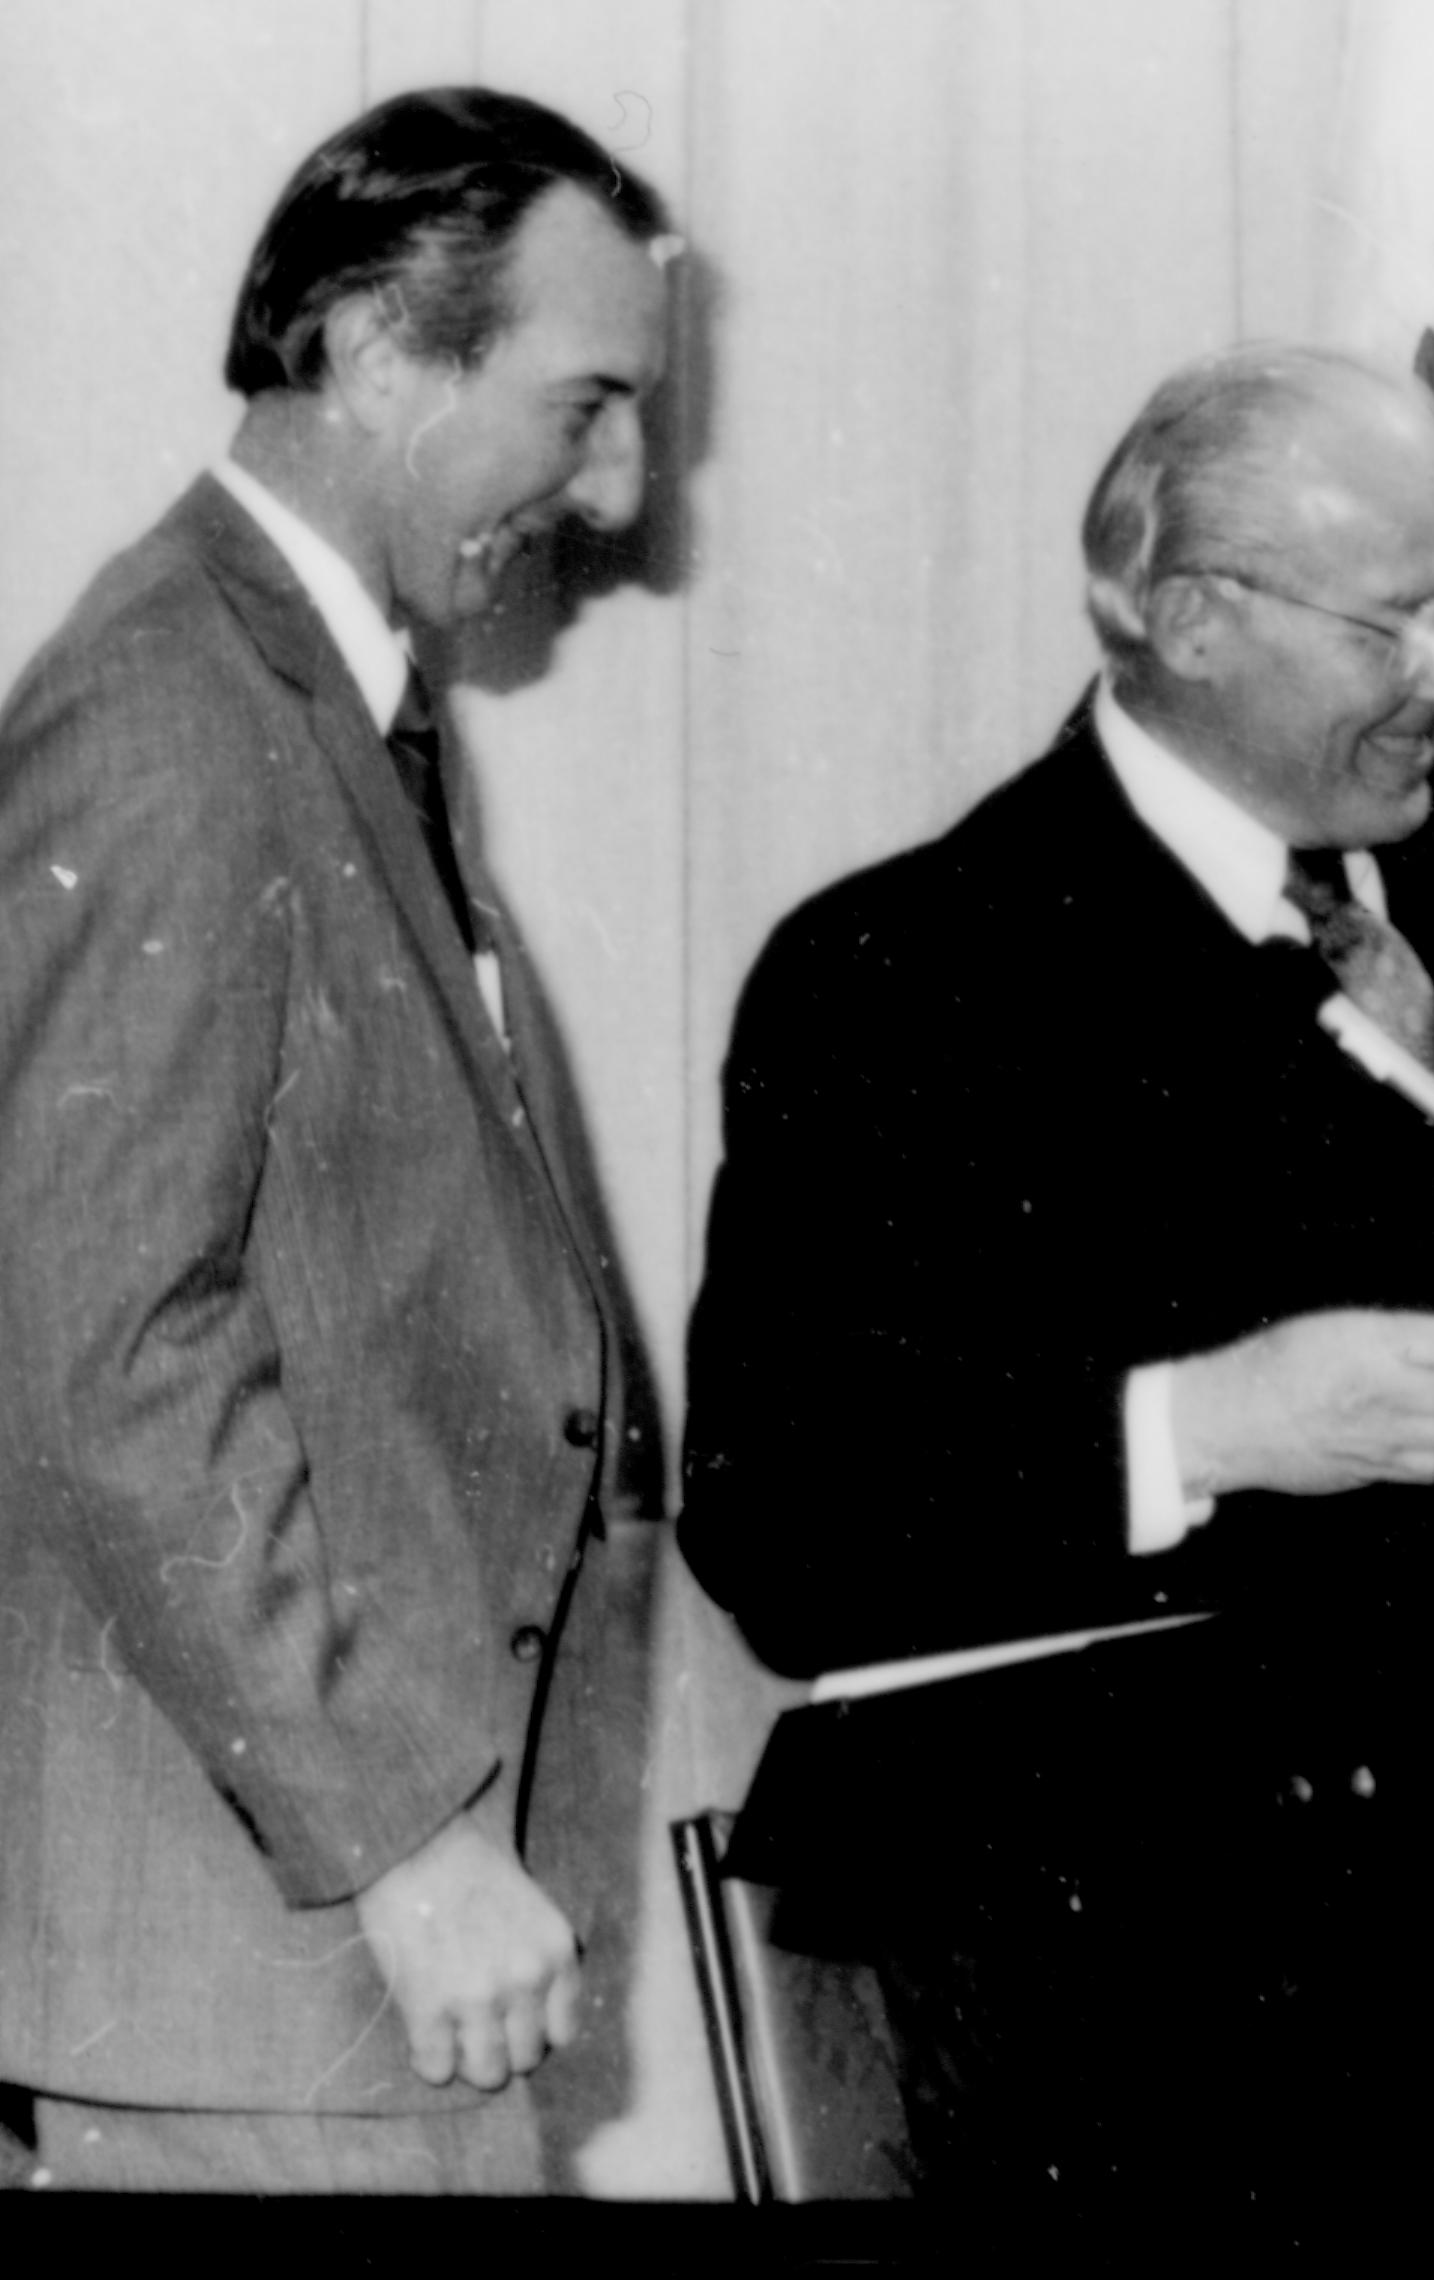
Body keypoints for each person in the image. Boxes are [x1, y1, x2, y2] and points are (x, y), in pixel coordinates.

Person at [677, 343, 1434, 2205]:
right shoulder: (910, 977)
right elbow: (783, 1522)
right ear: (1188, 621)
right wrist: (1206, 1428)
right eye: (1394, 625)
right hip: (1158, 2001)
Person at [0, 88, 675, 2194]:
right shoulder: (169, 713)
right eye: (584, 408)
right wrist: (394, 1832)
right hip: (280, 1960)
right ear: (382, 349)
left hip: (365, 1963)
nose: (625, 487)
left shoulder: (323, 695)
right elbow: (95, 1346)